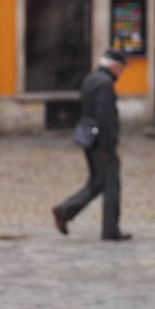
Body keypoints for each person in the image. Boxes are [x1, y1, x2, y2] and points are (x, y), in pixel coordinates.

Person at [52, 48, 132, 241]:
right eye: (121, 68)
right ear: (114, 66)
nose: (121, 72)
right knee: (111, 185)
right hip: (101, 142)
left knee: (97, 182)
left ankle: (65, 211)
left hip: (88, 137)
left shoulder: (91, 78)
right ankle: (110, 230)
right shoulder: (105, 83)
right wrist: (108, 145)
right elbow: (105, 116)